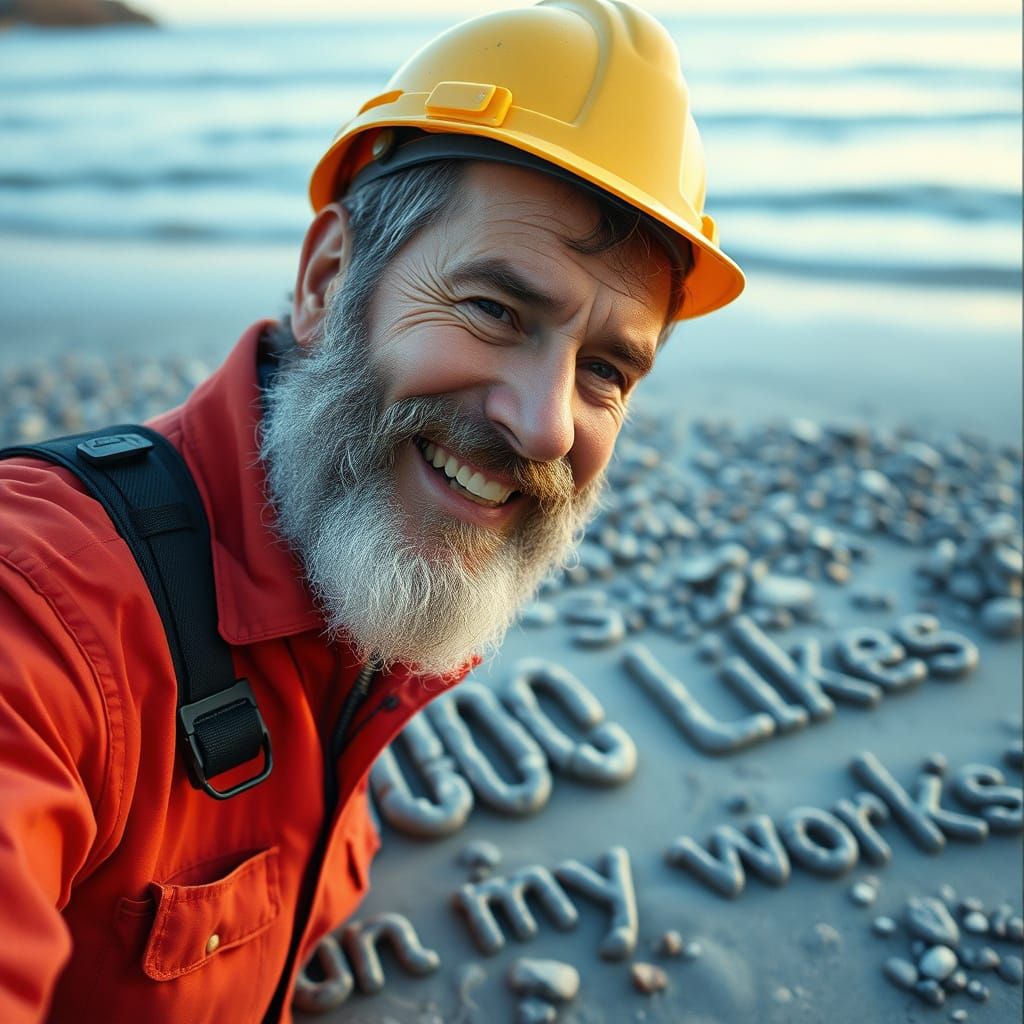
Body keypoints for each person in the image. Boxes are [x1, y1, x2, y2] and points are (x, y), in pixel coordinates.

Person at [0, 0, 744, 1020]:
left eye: (606, 369)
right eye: (492, 309)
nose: (543, 428)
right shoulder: (40, 611)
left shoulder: (370, 584)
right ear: (326, 280)